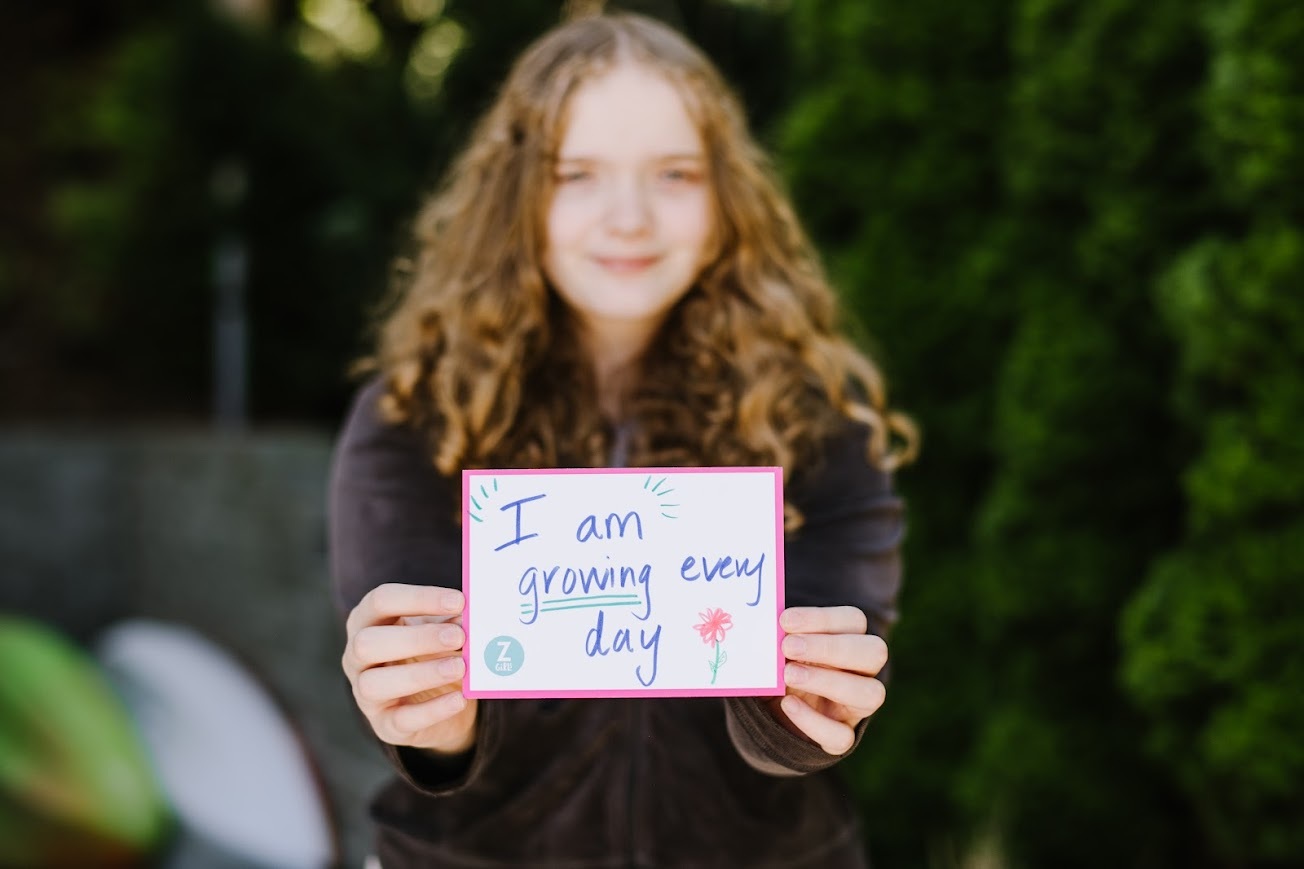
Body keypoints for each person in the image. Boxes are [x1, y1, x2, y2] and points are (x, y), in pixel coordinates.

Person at [329, 10, 917, 868]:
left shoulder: (820, 415)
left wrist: (806, 706)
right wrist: (434, 721)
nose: (629, 216)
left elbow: (801, 732)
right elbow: (432, 742)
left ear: (728, 198)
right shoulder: (412, 415)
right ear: (517, 195)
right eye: (577, 174)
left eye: (675, 174)